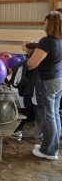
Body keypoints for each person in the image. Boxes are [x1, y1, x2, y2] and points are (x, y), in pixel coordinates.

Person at [25, 11, 62, 160]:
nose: (43, 25)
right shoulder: (59, 40)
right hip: (58, 79)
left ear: (51, 24)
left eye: (45, 22)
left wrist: (28, 54)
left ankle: (49, 150)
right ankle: (51, 146)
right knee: (54, 114)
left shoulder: (47, 41)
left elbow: (32, 64)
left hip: (47, 81)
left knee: (48, 115)